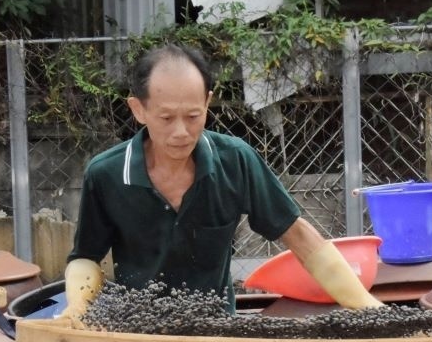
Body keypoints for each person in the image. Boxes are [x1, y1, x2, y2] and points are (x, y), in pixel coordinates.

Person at [62, 43, 383, 318]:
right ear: (138, 109)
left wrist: (366, 306)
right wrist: (76, 309)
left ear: (207, 103)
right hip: (137, 338)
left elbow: (298, 235)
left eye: (193, 116)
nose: (181, 132)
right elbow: (86, 257)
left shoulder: (236, 160)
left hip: (216, 332)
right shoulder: (106, 174)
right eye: (166, 118)